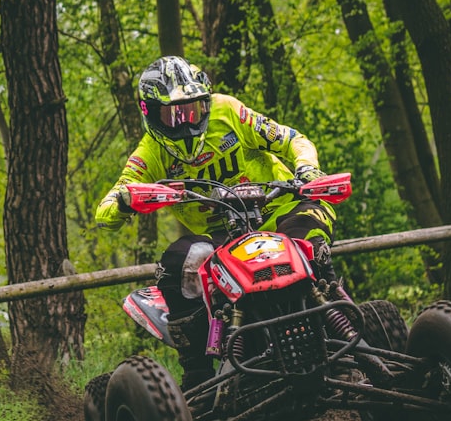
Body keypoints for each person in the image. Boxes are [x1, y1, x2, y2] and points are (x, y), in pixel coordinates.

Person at [96, 56, 338, 388]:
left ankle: (345, 326)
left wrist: (307, 168)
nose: (185, 122)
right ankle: (197, 374)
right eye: (174, 114)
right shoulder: (151, 151)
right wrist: (125, 201)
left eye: (193, 110)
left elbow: (291, 138)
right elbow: (106, 209)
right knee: (178, 263)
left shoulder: (229, 112)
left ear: (206, 104)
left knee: (310, 245)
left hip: (282, 209)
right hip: (225, 233)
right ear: (151, 112)